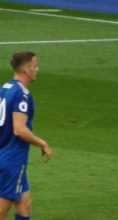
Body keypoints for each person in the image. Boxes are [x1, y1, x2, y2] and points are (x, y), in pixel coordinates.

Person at [0, 51, 53, 220]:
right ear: (27, 70)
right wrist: (42, 143)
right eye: (35, 66)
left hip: (4, 154)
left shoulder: (5, 88)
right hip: (12, 159)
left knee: (24, 206)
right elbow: (19, 129)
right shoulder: (22, 95)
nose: (37, 69)